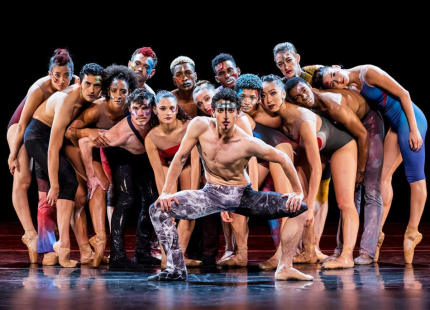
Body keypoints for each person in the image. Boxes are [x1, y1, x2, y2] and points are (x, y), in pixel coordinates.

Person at [147, 88, 311, 281]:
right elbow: (180, 157)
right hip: (210, 194)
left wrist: (298, 191)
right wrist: (166, 192)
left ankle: (285, 267)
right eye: (221, 110)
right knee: (158, 209)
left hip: (243, 196)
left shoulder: (246, 142)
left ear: (237, 113)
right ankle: (176, 270)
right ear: (213, 111)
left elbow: (283, 158)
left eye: (231, 110)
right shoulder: (199, 125)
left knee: (298, 208)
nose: (226, 115)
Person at [313, 65, 427, 264]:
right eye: (331, 84)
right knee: (382, 179)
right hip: (393, 125)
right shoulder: (350, 87)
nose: (336, 81)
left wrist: (414, 130)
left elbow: (404, 93)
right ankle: (376, 236)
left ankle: (412, 231)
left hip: (410, 120)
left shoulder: (368, 73)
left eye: (334, 75)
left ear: (338, 67)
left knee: (414, 177)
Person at [261, 74, 359, 269]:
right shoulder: (281, 118)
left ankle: (347, 256)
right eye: (263, 96)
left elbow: (315, 168)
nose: (269, 100)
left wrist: (310, 209)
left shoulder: (302, 120)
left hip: (341, 146)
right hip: (317, 150)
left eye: (273, 93)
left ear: (282, 93)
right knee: (301, 197)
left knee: (344, 201)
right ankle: (309, 250)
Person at [287, 77, 384, 265]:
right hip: (338, 133)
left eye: (303, 92)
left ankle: (355, 254)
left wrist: (361, 171)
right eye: (297, 98)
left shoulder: (333, 104)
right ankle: (322, 250)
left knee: (365, 190)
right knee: (325, 194)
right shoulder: (305, 108)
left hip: (366, 126)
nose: (302, 98)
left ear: (309, 86)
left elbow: (362, 134)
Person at [23, 63, 104, 268]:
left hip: (49, 140)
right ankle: (63, 246)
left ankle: (82, 250)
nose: (92, 90)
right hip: (37, 137)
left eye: (96, 86)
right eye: (88, 84)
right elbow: (51, 148)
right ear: (79, 82)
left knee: (77, 192)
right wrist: (55, 185)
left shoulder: (89, 98)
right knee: (67, 183)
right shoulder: (67, 100)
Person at [65, 64, 138, 266]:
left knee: (90, 194)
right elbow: (70, 132)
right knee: (99, 185)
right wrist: (86, 132)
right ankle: (99, 239)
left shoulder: (131, 111)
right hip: (79, 149)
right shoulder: (97, 109)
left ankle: (93, 245)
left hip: (102, 153)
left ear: (129, 92)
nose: (118, 95)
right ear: (107, 91)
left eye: (123, 91)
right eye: (113, 91)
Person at [7, 49, 75, 265]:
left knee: (47, 182)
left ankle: (48, 243)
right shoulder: (39, 88)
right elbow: (23, 124)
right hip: (21, 129)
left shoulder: (77, 83)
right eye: (57, 75)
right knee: (23, 178)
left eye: (67, 75)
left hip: (46, 134)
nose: (62, 80)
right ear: (49, 73)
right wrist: (13, 153)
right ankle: (29, 233)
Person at [79, 88, 159, 269]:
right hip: (121, 155)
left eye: (145, 108)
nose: (140, 114)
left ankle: (142, 252)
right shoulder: (120, 133)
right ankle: (117, 255)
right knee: (126, 198)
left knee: (152, 199)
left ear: (152, 108)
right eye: (136, 108)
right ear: (129, 109)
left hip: (142, 155)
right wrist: (91, 175)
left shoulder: (156, 119)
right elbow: (84, 142)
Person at [234, 74, 299, 270]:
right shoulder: (236, 113)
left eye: (252, 97)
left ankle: (283, 254)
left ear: (258, 97)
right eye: (242, 97)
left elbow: (251, 155)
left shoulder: (257, 114)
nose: (247, 102)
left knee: (285, 202)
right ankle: (240, 254)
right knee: (236, 200)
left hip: (278, 148)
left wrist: (251, 188)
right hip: (262, 152)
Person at [273, 42, 330, 261]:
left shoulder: (314, 74)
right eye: (280, 63)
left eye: (288, 59)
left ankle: (313, 247)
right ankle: (302, 247)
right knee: (305, 191)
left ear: (297, 57)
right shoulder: (281, 85)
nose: (285, 65)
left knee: (321, 193)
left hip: (323, 138)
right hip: (301, 143)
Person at [145, 90, 201, 267]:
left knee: (189, 212)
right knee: (167, 212)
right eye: (163, 108)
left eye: (171, 108)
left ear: (177, 109)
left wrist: (193, 193)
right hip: (166, 170)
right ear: (155, 110)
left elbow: (195, 161)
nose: (168, 112)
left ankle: (179, 257)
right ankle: (166, 257)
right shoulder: (151, 137)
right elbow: (157, 170)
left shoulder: (189, 127)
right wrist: (165, 195)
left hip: (188, 166)